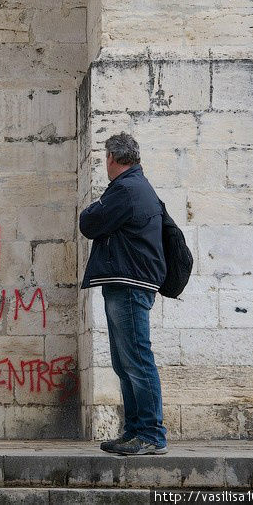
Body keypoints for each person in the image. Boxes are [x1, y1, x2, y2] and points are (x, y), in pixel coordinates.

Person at [79, 132, 168, 455]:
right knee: (124, 362)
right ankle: (135, 431)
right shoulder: (136, 187)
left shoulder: (126, 189)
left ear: (113, 159)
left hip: (130, 284)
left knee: (137, 361)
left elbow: (89, 223)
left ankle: (152, 434)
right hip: (128, 282)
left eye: (105, 158)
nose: (106, 163)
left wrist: (97, 207)